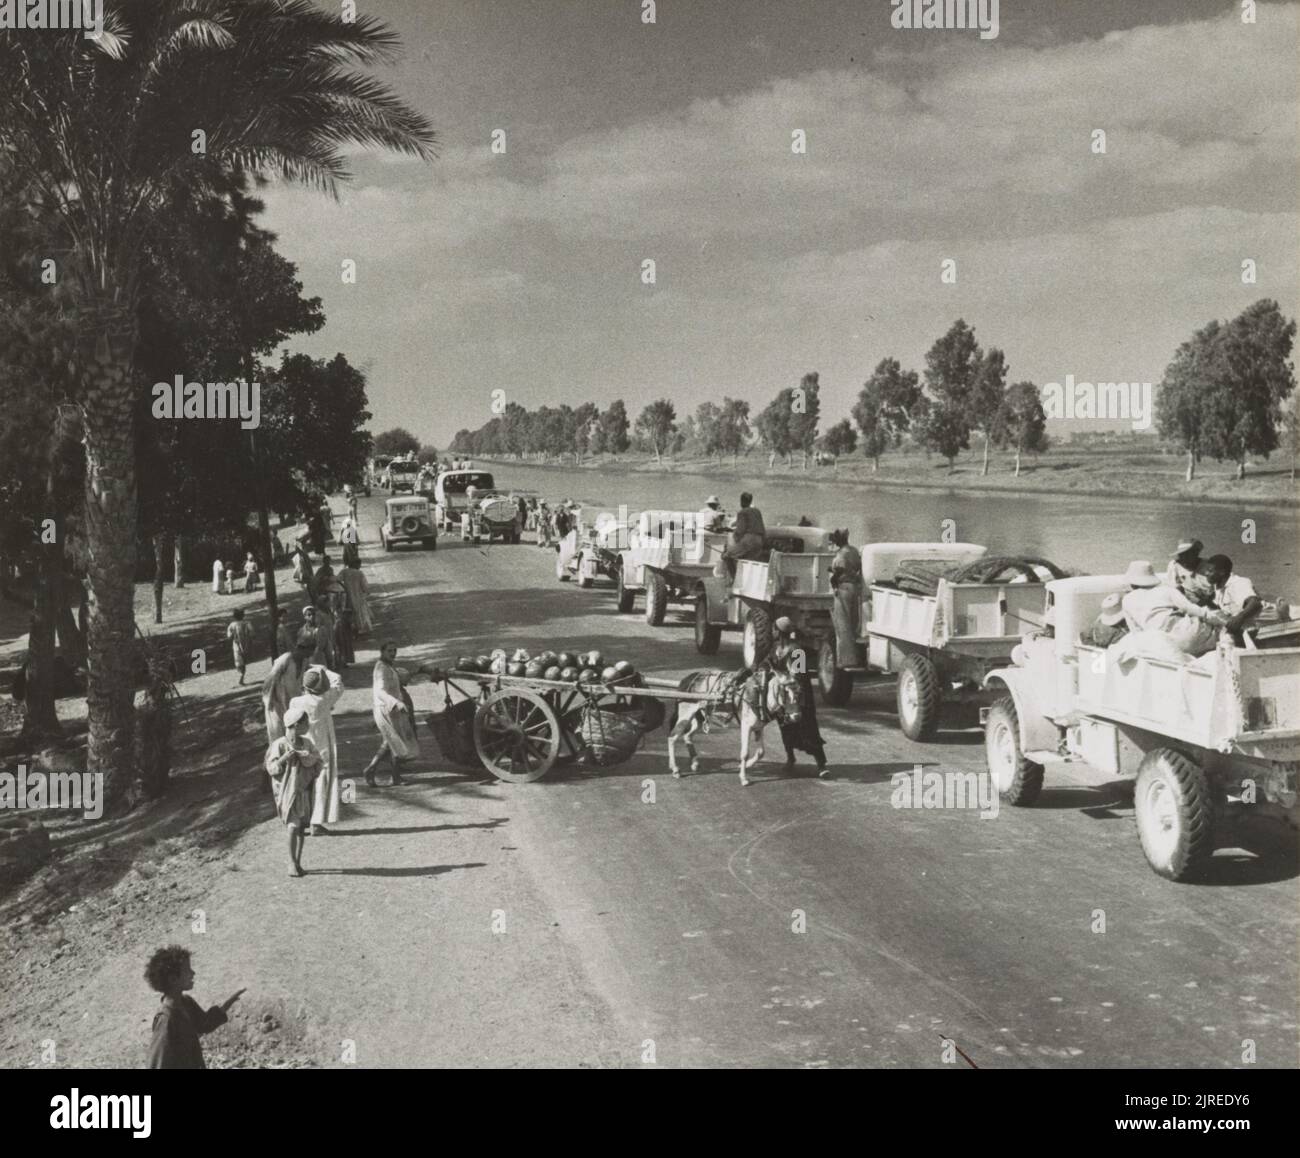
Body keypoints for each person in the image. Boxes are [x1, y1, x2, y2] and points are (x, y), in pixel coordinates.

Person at [144, 946, 244, 1069]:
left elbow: (204, 1024)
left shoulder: (186, 1003)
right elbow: (156, 1063)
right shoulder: (166, 1020)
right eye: (188, 970)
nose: (193, 973)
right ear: (173, 979)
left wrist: (226, 1005)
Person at [1120, 560, 1227, 658]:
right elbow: (1191, 609)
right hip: (1190, 634)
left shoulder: (1126, 600)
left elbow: (1136, 631)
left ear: (1132, 583)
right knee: (1221, 631)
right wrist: (1217, 619)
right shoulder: (1166, 590)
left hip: (1166, 642)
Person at [766, 616, 828, 776]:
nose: (772, 632)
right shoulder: (775, 649)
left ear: (779, 632)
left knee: (808, 728)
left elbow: (799, 676)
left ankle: (822, 765)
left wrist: (788, 683)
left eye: (774, 629)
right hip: (783, 694)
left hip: (799, 695)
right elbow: (768, 666)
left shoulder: (797, 651)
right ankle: (790, 758)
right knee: (785, 727)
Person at [264, 703, 322, 875]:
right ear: (296, 724)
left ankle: (297, 861)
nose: (308, 726)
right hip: (286, 791)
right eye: (305, 723)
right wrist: (283, 759)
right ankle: (290, 862)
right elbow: (271, 768)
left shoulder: (307, 743)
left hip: (303, 789)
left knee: (301, 827)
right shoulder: (280, 745)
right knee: (292, 824)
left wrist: (305, 756)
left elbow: (318, 762)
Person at [288, 666, 344, 836]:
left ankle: (301, 820)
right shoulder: (324, 700)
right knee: (321, 784)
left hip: (302, 747)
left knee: (303, 784)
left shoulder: (295, 702)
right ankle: (316, 823)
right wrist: (325, 669)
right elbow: (339, 682)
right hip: (321, 749)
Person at [363, 642, 421, 786]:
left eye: (395, 650)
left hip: (393, 709)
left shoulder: (388, 666)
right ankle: (371, 769)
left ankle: (394, 776)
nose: (393, 653)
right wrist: (396, 702)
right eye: (389, 651)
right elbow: (380, 691)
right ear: (382, 651)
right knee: (392, 741)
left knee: (393, 741)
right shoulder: (381, 668)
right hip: (386, 709)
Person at [261, 636, 315, 742]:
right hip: (277, 703)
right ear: (302, 648)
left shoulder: (305, 662)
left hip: (292, 702)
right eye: (310, 651)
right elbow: (269, 681)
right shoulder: (285, 659)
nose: (311, 654)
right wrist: (268, 702)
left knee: (293, 734)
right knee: (278, 735)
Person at [1203, 554, 1262, 645]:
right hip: (1249, 629)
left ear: (1222, 572)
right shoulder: (1218, 588)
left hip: (1268, 625)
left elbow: (1254, 603)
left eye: (1210, 571)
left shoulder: (1238, 583)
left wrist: (1239, 618)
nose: (1206, 573)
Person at [828, 529, 863, 664]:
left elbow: (840, 568)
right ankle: (856, 657)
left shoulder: (842, 553)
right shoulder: (854, 551)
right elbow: (856, 566)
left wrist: (834, 580)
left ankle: (846, 660)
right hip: (854, 587)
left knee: (842, 625)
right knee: (853, 624)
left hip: (843, 588)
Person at [722, 492, 765, 577]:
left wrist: (736, 541)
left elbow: (740, 531)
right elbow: (762, 528)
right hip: (759, 540)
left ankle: (734, 579)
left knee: (727, 556)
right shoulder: (757, 511)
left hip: (748, 540)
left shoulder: (742, 512)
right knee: (748, 560)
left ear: (741, 501)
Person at [341, 561, 373, 636]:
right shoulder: (359, 573)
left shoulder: (344, 571)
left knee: (350, 611)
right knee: (360, 612)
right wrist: (367, 591)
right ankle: (361, 628)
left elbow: (337, 579)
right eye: (359, 564)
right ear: (355, 564)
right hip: (358, 595)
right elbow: (364, 585)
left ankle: (351, 628)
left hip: (348, 595)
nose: (360, 566)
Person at [226, 607, 254, 687]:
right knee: (243, 662)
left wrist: (233, 634)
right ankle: (241, 677)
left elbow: (229, 636)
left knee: (239, 663)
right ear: (243, 615)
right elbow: (252, 633)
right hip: (246, 646)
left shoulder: (232, 625)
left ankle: (240, 676)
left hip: (237, 646)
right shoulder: (247, 623)